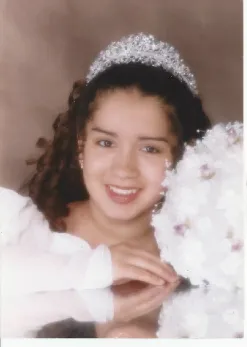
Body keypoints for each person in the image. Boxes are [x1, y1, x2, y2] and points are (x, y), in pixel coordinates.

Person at [1, 34, 211, 334]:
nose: (124, 169)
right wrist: (94, 267)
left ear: (181, 157)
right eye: (105, 142)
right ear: (81, 147)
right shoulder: (23, 231)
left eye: (150, 148)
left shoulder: (206, 249)